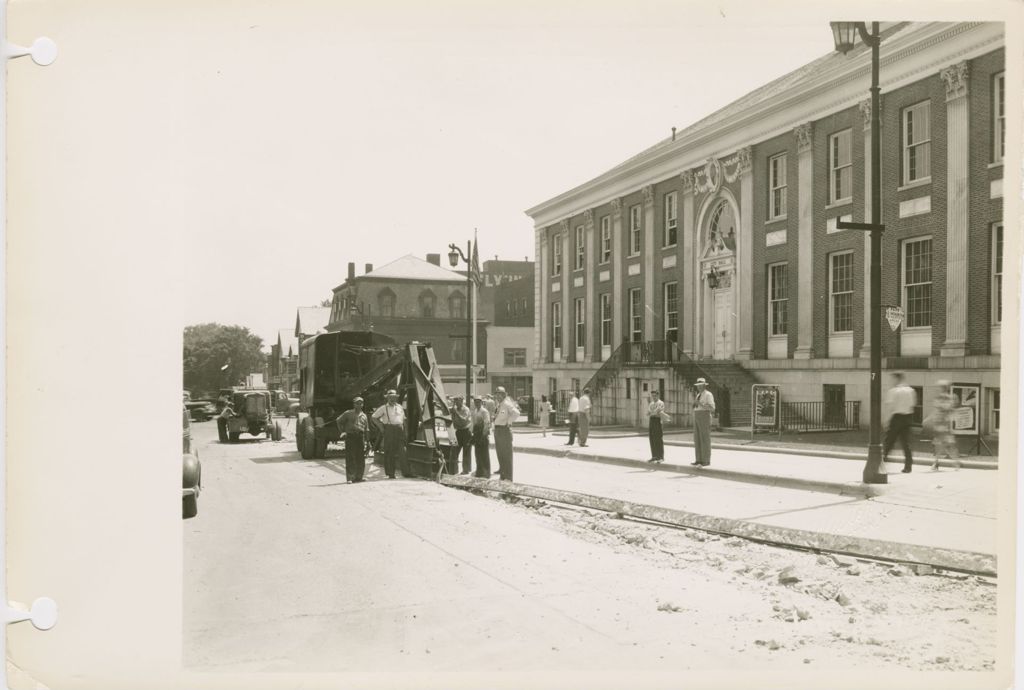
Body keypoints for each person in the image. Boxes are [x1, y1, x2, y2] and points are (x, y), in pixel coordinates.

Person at [882, 372, 916, 473]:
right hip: (908, 417)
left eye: (892, 379)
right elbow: (912, 405)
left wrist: (886, 421)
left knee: (889, 441)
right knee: (906, 443)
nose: (891, 381)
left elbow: (889, 407)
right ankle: (908, 466)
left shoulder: (893, 391)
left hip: (896, 417)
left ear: (897, 379)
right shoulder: (911, 390)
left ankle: (882, 463)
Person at [371, 389, 406, 479]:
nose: (392, 399)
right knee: (389, 452)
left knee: (403, 451)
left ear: (396, 398)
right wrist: (381, 427)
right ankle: (391, 473)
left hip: (399, 430)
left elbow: (403, 419)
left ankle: (406, 472)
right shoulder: (383, 408)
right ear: (387, 398)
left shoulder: (399, 407)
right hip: (389, 430)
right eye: (390, 397)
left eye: (394, 397)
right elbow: (374, 417)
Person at [929, 379, 960, 471]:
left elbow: (944, 409)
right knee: (943, 445)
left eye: (940, 387)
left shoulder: (944, 398)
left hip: (943, 424)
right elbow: (943, 410)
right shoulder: (947, 398)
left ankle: (953, 462)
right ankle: (939, 463)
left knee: (945, 445)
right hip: (942, 423)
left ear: (943, 388)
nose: (939, 389)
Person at [336, 397, 369, 483]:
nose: (359, 405)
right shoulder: (348, 413)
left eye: (361, 403)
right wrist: (343, 432)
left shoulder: (364, 416)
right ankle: (350, 477)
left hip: (360, 437)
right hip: (350, 436)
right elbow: (338, 421)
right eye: (357, 403)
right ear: (354, 404)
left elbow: (366, 429)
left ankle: (359, 477)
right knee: (351, 457)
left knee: (360, 457)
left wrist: (368, 441)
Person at [492, 386, 519, 481]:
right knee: (500, 455)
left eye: (500, 394)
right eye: (496, 394)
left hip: (504, 431)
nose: (498, 396)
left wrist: (509, 422)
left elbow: (516, 413)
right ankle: (503, 476)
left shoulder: (507, 403)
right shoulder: (499, 404)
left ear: (504, 395)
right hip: (498, 430)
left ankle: (508, 478)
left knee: (506, 456)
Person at [691, 378, 715, 467]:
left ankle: (706, 460)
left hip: (704, 416)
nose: (699, 387)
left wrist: (700, 404)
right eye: (698, 386)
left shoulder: (708, 394)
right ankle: (698, 459)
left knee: (705, 439)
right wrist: (695, 404)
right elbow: (697, 405)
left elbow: (712, 408)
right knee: (697, 439)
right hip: (697, 415)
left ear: (704, 385)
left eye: (701, 385)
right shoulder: (698, 395)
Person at [450, 395, 473, 475]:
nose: (456, 402)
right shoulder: (455, 409)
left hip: (466, 431)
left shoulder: (465, 409)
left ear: (462, 401)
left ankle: (466, 469)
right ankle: (454, 470)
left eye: (457, 401)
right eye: (455, 401)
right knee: (455, 450)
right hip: (459, 431)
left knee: (466, 451)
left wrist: (456, 413)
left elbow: (464, 420)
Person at [471, 396, 492, 478]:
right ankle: (479, 471)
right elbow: (473, 423)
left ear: (481, 402)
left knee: (484, 454)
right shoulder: (475, 411)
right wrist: (472, 433)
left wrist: (484, 435)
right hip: (476, 434)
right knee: (477, 454)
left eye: (478, 402)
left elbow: (487, 423)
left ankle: (486, 473)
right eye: (475, 402)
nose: (477, 403)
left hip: (483, 434)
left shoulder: (484, 411)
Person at [646, 390, 669, 463]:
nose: (653, 397)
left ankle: (661, 457)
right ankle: (654, 456)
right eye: (652, 396)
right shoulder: (651, 403)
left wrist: (652, 412)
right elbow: (648, 413)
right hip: (652, 420)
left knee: (658, 438)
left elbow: (657, 412)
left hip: (658, 421)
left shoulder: (661, 403)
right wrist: (652, 412)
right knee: (652, 438)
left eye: (655, 396)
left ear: (658, 395)